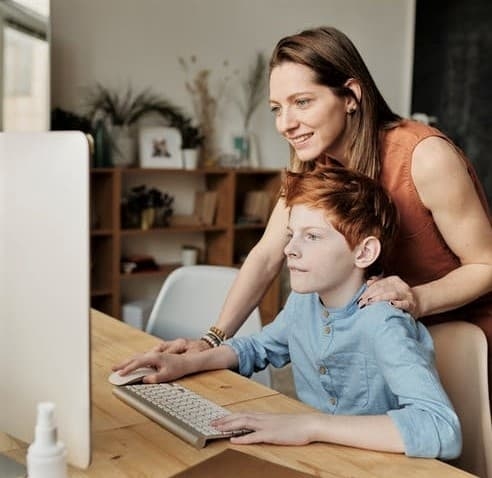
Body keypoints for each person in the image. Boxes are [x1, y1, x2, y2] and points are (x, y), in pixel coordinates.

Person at [153, 26, 492, 392]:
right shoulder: (312, 164)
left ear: (350, 96)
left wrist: (417, 298)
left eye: (301, 102)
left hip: (461, 340)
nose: (285, 123)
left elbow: (486, 264)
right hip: (386, 339)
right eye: (277, 109)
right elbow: (267, 255)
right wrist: (211, 341)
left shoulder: (425, 157)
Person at [114, 166, 461, 458]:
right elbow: (260, 347)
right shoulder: (304, 302)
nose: (289, 249)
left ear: (364, 252)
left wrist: (310, 425)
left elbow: (441, 427)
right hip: (322, 456)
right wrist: (189, 362)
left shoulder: (382, 320)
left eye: (312, 237)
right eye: (292, 234)